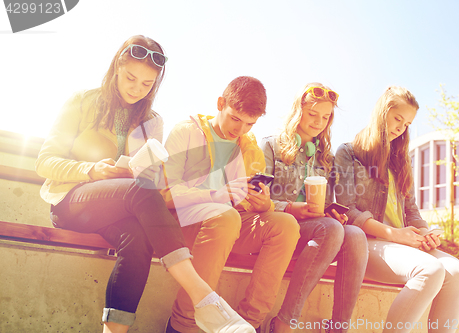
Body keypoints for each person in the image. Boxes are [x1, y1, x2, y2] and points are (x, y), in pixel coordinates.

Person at [35, 35, 254, 333]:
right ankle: (202, 297)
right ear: (116, 68)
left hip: (120, 206)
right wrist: (91, 170)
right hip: (71, 201)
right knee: (141, 194)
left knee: (138, 239)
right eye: (130, 78)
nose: (137, 89)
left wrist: (138, 173)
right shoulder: (82, 101)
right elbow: (45, 162)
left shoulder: (153, 120)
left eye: (147, 84)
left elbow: (150, 181)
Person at [160, 76, 301, 333]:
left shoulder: (249, 147)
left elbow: (250, 205)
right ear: (220, 103)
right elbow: (164, 194)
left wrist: (263, 205)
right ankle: (183, 325)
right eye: (235, 118)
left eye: (250, 123)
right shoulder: (186, 131)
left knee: (286, 225)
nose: (240, 130)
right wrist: (216, 194)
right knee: (226, 216)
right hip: (185, 224)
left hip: (229, 225)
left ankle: (248, 324)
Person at [334, 86, 459, 333]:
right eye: (398, 118)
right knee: (430, 270)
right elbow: (347, 211)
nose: (400, 127)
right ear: (382, 111)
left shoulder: (399, 160)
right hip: (368, 243)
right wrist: (394, 234)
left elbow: (411, 210)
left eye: (406, 124)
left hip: (403, 246)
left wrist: (425, 233)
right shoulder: (348, 153)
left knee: (458, 271)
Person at [260, 83, 368, 333]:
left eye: (326, 116)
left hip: (314, 230)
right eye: (313, 114)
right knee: (331, 230)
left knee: (355, 234)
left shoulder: (325, 158)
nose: (319, 122)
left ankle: (338, 328)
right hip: (279, 226)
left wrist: (332, 211)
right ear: (299, 111)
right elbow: (257, 198)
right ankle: (284, 323)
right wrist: (290, 208)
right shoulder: (271, 146)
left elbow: (325, 204)